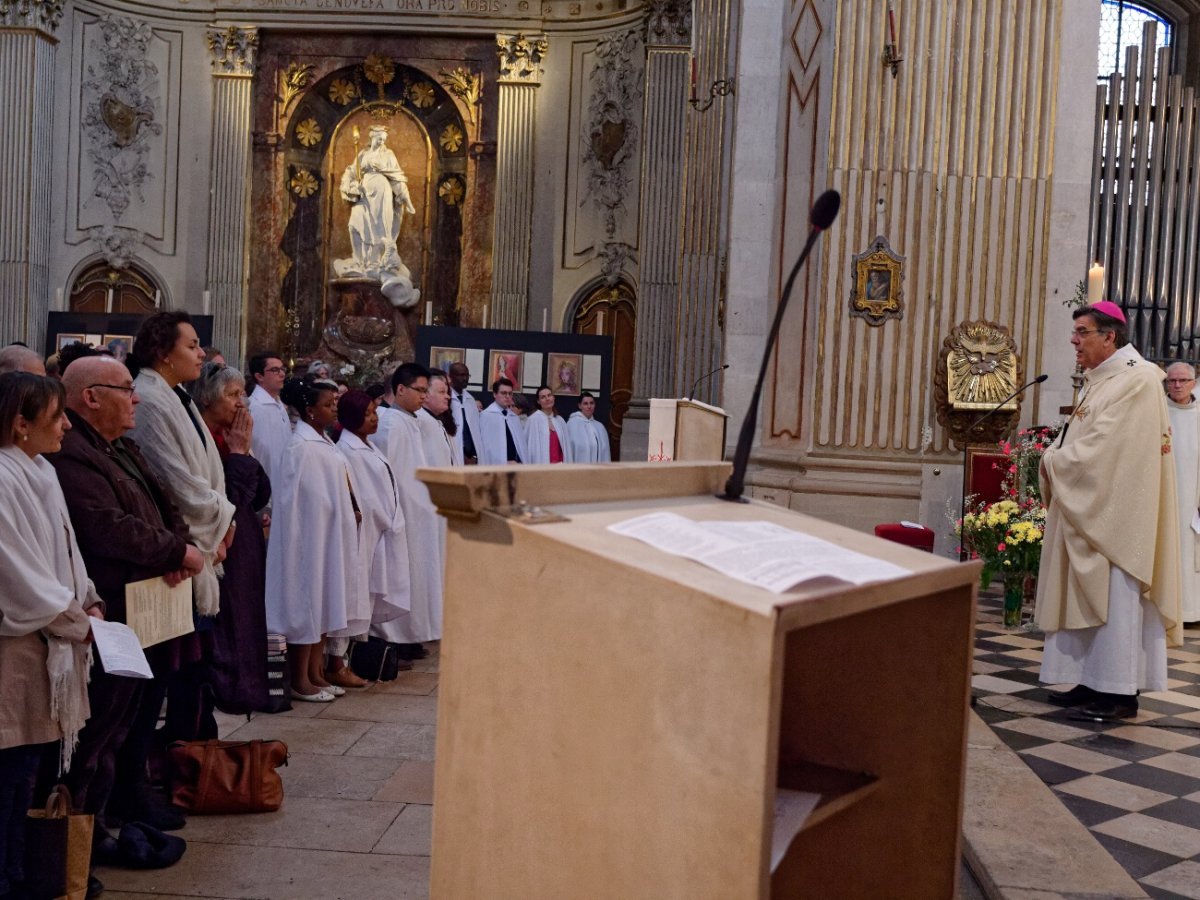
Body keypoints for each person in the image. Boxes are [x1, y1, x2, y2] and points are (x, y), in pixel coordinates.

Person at [49, 355, 203, 836]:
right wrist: (177, 552)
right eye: (124, 388)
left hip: (148, 602)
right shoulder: (72, 452)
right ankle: (80, 829)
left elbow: (165, 505)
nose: (134, 398)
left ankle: (116, 807)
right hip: (113, 605)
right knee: (103, 723)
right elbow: (108, 529)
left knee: (134, 713)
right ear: (91, 397)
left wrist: (179, 550)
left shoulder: (121, 448)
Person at [1035, 301, 1183, 721]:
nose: (1073, 340)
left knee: (1115, 598)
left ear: (1109, 336)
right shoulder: (1104, 379)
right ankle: (1089, 678)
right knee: (1087, 595)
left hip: (1119, 516)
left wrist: (1054, 461)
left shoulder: (1137, 381)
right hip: (1094, 508)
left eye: (1082, 331)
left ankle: (1119, 693)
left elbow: (1107, 449)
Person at [0, 373, 99, 900]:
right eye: (56, 416)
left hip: (50, 643)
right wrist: (77, 621)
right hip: (15, 650)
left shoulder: (39, 470)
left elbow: (66, 547)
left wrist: (88, 596)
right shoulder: (2, 476)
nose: (66, 425)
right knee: (8, 775)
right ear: (20, 425)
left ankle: (21, 872)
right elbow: (16, 573)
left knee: (27, 771)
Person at [265, 379, 363, 702]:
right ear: (309, 411)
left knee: (324, 602)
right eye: (327, 404)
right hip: (308, 537)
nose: (334, 407)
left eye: (335, 402)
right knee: (307, 602)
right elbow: (293, 497)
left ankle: (317, 672)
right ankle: (300, 677)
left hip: (329, 534)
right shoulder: (300, 445)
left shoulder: (324, 442)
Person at [191, 362, 272, 713]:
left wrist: (244, 452)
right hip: (218, 553)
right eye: (233, 394)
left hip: (245, 550)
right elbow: (228, 504)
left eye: (243, 394)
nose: (242, 403)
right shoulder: (200, 442)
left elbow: (259, 494)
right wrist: (238, 456)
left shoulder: (232, 438)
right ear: (208, 400)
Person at [333, 390, 411, 685]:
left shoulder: (368, 446)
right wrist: (385, 519)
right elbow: (364, 494)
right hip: (365, 533)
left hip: (380, 530)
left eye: (375, 411)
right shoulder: (350, 451)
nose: (374, 418)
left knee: (365, 595)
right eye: (367, 414)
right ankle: (337, 661)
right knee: (354, 595)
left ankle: (352, 657)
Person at [373, 363, 441, 658]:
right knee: (401, 575)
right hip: (403, 513)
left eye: (427, 391)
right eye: (420, 390)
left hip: (418, 511)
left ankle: (411, 634)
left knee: (416, 574)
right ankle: (394, 637)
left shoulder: (410, 420)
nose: (424, 397)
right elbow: (391, 472)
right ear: (400, 390)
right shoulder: (390, 424)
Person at [336, 125, 418, 282]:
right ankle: (359, 261)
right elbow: (352, 173)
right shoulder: (362, 154)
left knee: (378, 230)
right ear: (372, 137)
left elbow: (397, 178)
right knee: (354, 224)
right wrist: (352, 187)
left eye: (384, 139)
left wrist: (406, 200)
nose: (381, 142)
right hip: (364, 196)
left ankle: (374, 263)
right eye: (379, 138)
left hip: (382, 195)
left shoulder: (388, 155)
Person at [1165, 361, 1200, 623]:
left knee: (1191, 552)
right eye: (1172, 380)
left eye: (1183, 380)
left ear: (1194, 383)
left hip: (1194, 498)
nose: (1177, 385)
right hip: (1164, 497)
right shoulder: (1157, 412)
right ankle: (1164, 609)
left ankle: (1191, 610)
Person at [247, 351, 292, 486]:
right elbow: (260, 452)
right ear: (259, 376)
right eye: (275, 370)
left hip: (284, 481)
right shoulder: (254, 407)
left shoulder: (279, 404)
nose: (282, 374)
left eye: (282, 369)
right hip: (267, 487)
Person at [477, 377, 527, 464]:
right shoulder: (486, 416)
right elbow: (485, 447)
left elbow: (520, 446)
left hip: (516, 466)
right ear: (495, 394)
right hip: (496, 468)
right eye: (503, 393)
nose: (507, 396)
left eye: (510, 393)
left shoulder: (514, 417)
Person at [418, 370, 460, 466]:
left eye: (447, 392)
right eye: (442, 392)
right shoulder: (419, 421)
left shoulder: (437, 421)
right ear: (426, 395)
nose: (448, 397)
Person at [525, 385, 572, 464]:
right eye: (543, 397)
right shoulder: (533, 420)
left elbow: (567, 449)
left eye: (549, 395)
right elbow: (529, 448)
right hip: (542, 467)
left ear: (553, 398)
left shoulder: (560, 421)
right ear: (538, 401)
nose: (547, 399)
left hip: (560, 467)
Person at [447, 362, 480, 464]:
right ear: (451, 377)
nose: (465, 378)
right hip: (453, 452)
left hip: (471, 457)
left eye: (467, 375)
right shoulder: (447, 398)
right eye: (461, 375)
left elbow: (475, 430)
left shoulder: (470, 400)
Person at [566, 391, 611, 463]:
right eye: (585, 403)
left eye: (591, 403)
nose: (589, 406)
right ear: (580, 406)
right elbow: (569, 449)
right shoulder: (572, 424)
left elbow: (605, 453)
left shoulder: (600, 427)